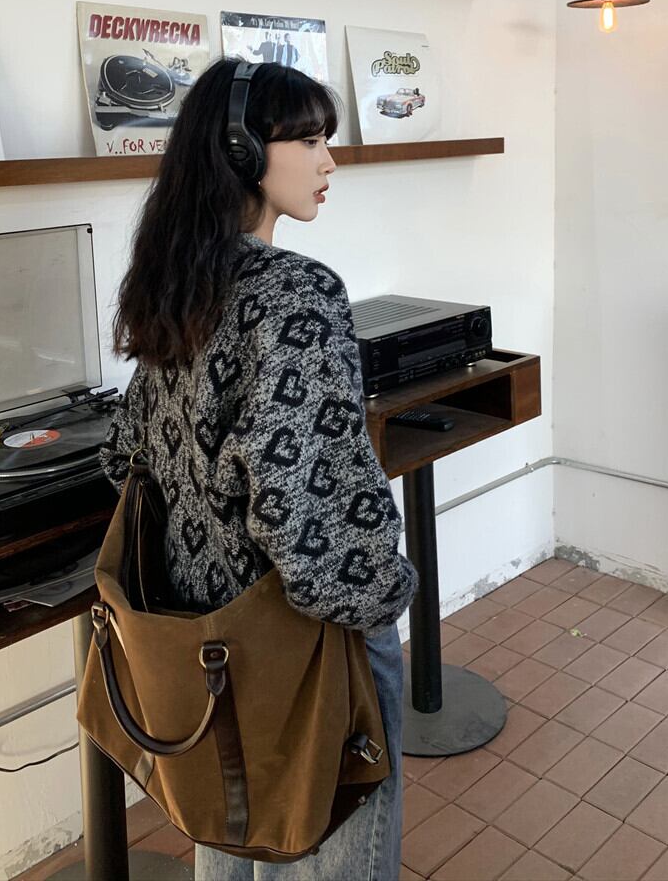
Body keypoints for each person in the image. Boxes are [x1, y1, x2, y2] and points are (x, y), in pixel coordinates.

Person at [99, 59, 418, 881]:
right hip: (303, 643)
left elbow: (124, 452)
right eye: (307, 140)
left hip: (205, 639)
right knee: (326, 845)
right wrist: (385, 595)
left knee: (231, 833)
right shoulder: (296, 294)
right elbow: (308, 510)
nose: (328, 161)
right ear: (240, 151)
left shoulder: (173, 283)